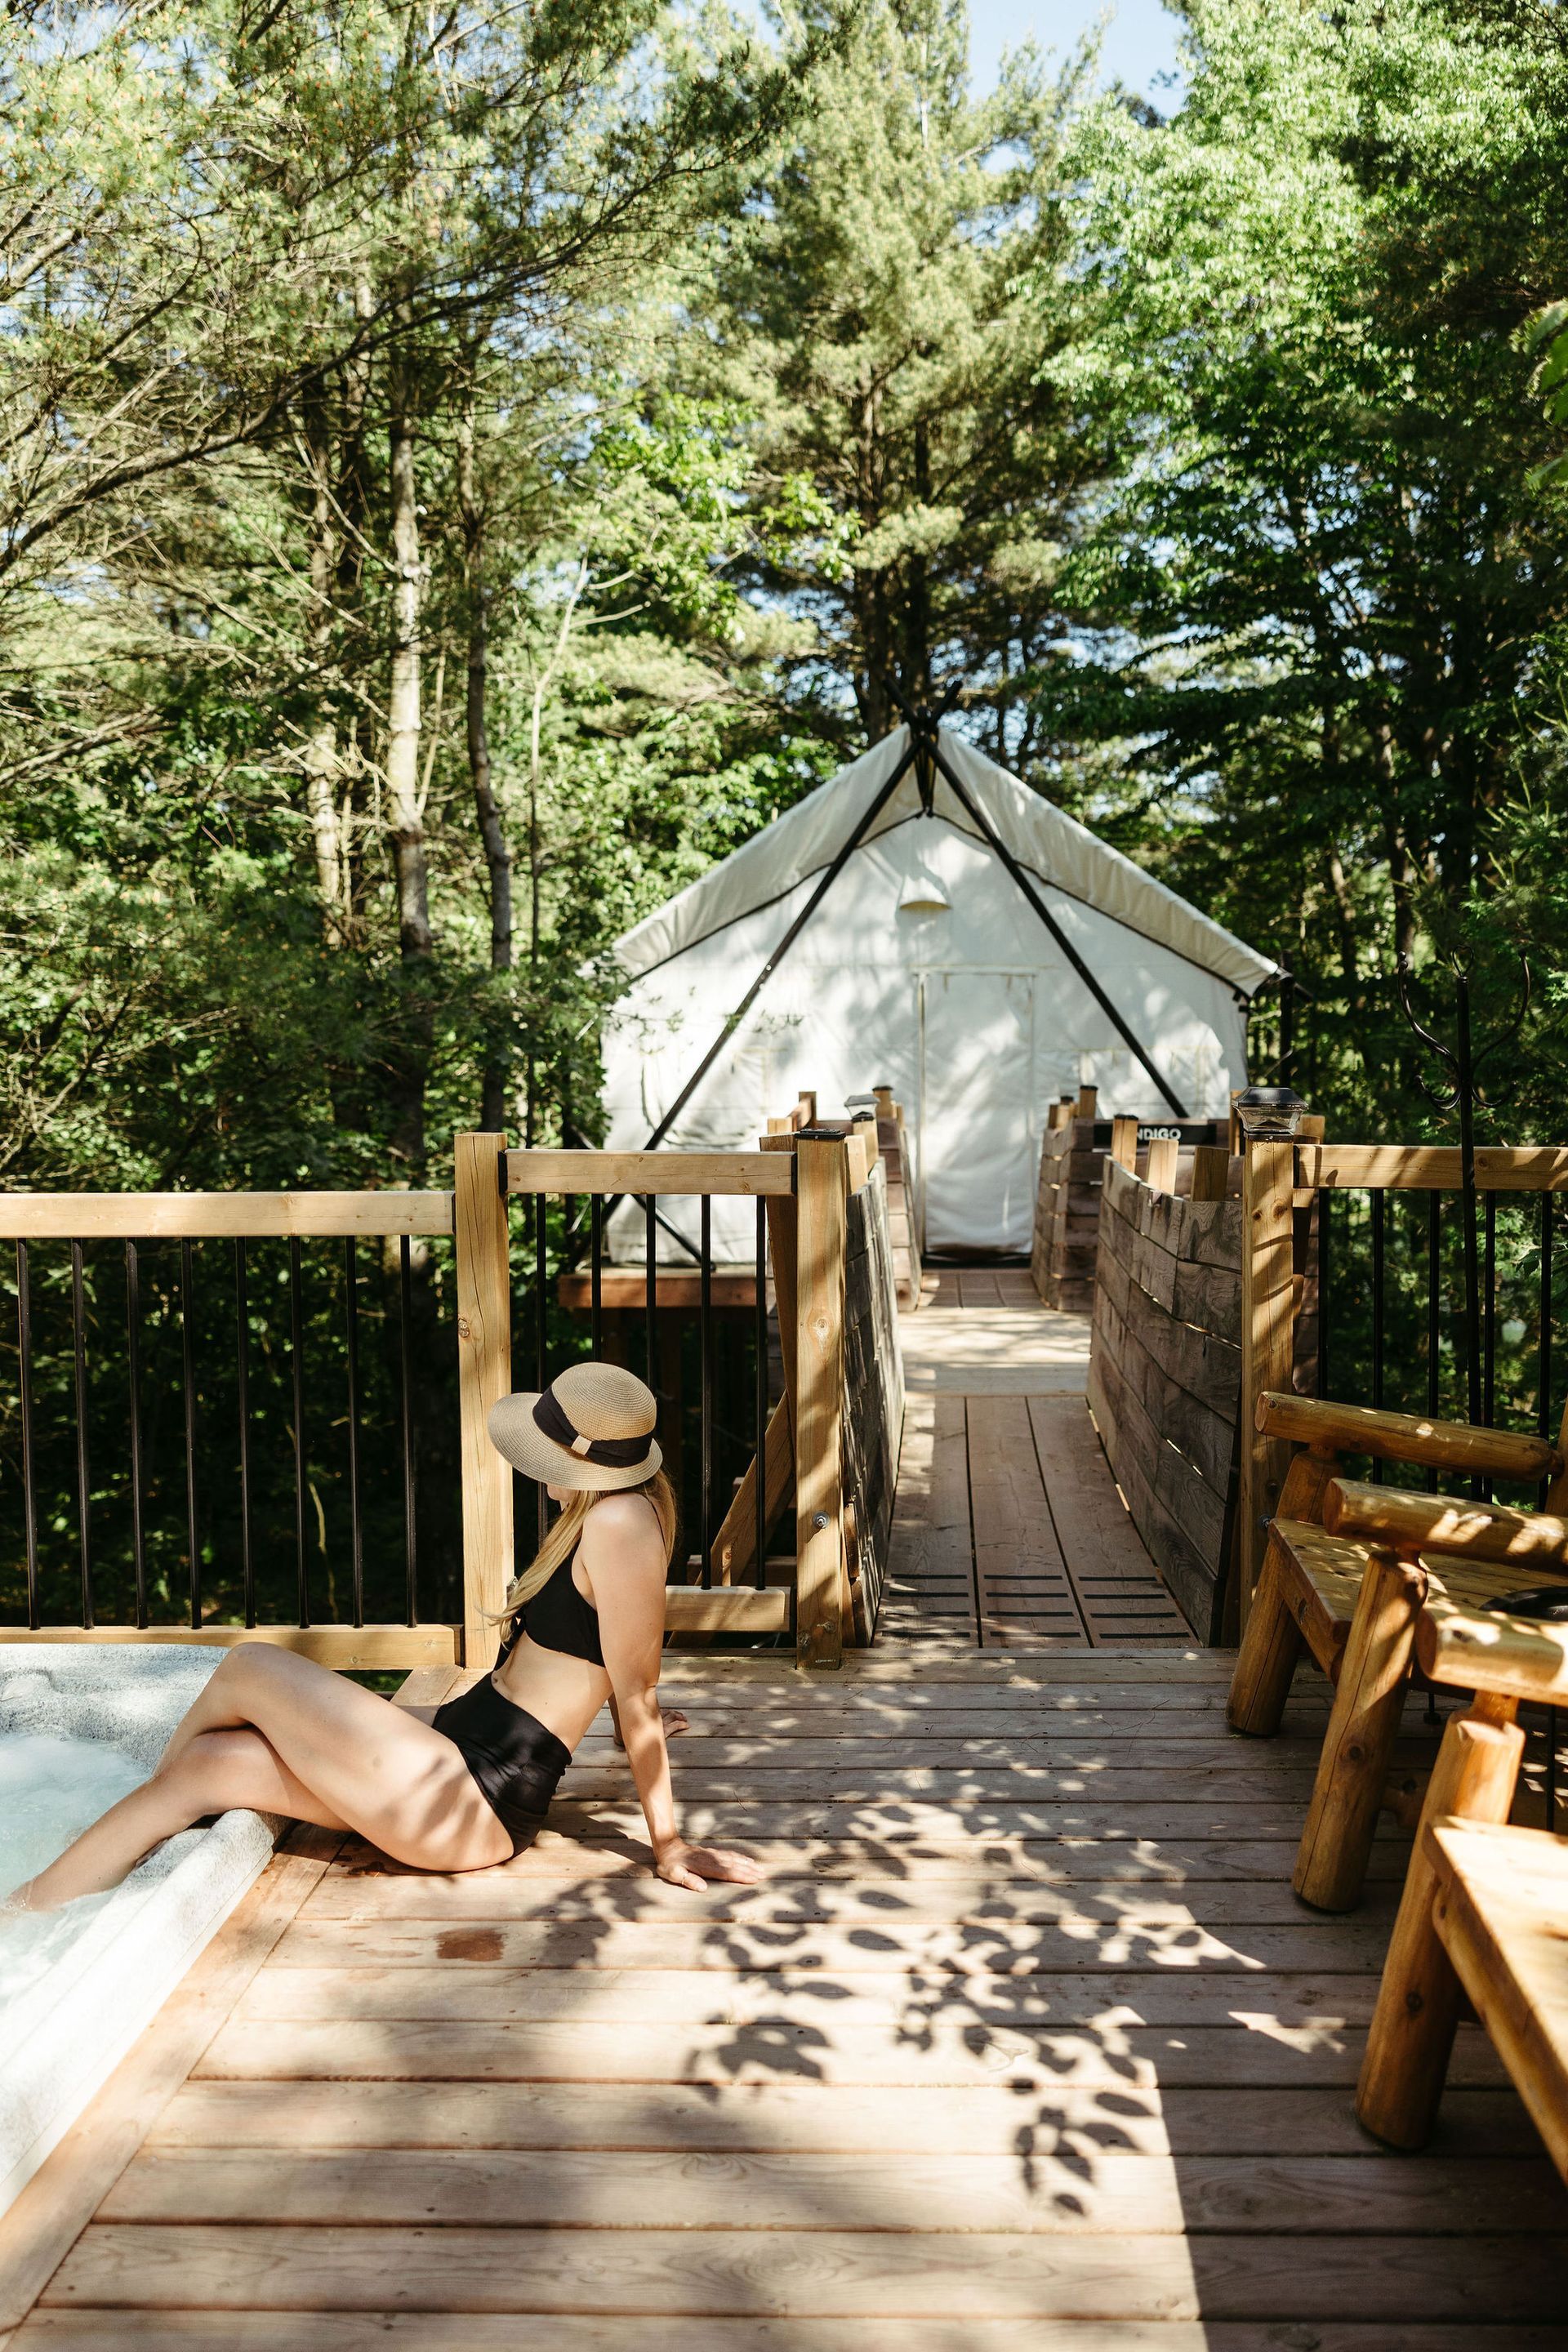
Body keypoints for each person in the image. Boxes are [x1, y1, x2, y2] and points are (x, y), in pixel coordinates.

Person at [13, 1362, 762, 1909]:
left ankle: (94, 1853)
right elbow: (599, 1659)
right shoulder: (605, 1514)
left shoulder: (619, 1520)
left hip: (475, 1797)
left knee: (249, 1666)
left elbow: (634, 1683)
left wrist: (668, 1842)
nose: (537, 1474)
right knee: (210, 1766)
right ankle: (32, 1917)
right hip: (460, 1744)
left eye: (547, 1460)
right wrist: (633, 1713)